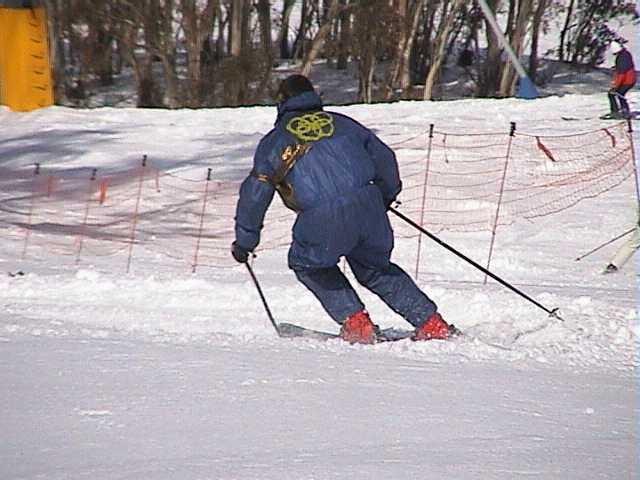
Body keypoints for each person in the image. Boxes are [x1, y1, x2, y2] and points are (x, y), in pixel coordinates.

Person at [231, 74, 455, 344]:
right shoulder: (345, 124)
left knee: (309, 264)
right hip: (369, 204)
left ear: (281, 103)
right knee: (376, 268)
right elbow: (385, 158)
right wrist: (384, 195)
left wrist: (245, 241)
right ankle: (431, 323)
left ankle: (357, 323)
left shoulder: (275, 141)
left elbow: (256, 193)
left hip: (321, 215)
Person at [604, 40, 636, 119]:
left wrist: (615, 86)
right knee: (618, 94)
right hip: (629, 79)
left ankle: (619, 112)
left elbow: (621, 74)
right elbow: (624, 67)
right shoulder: (625, 54)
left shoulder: (622, 57)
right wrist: (616, 68)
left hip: (627, 80)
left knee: (616, 93)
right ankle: (623, 111)